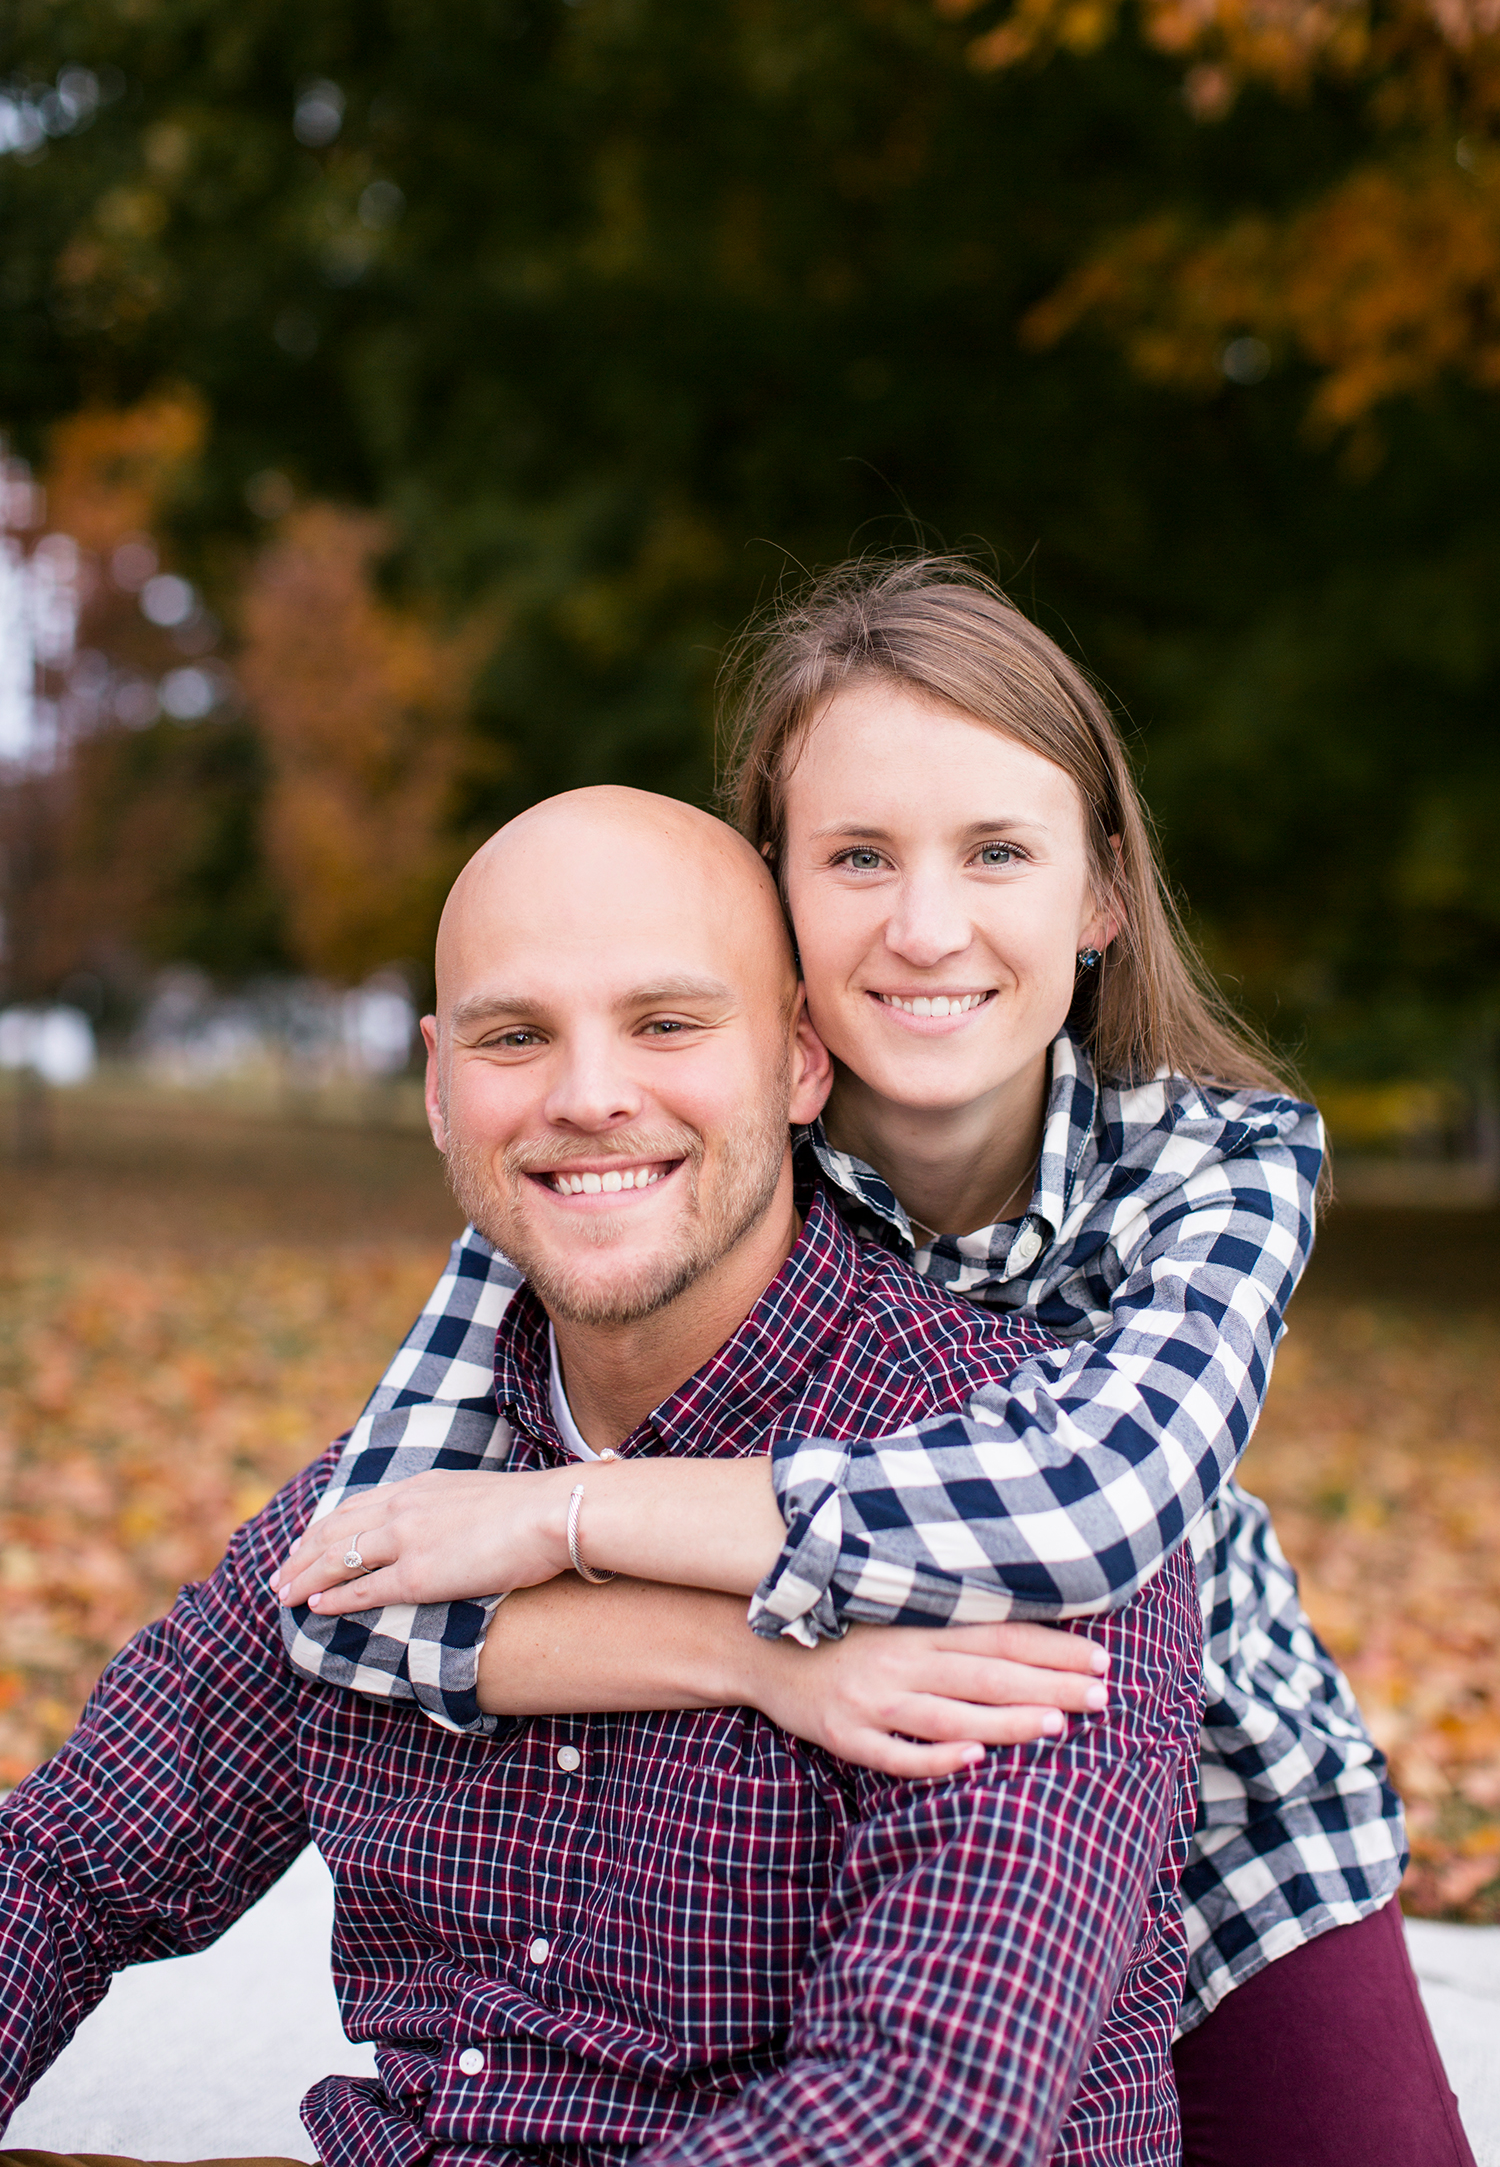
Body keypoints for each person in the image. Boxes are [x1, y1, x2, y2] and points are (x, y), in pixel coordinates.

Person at [278, 560, 1474, 2167]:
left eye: (997, 851)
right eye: (855, 857)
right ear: (772, 895)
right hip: (876, 1771)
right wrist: (753, 1659)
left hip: (1207, 1782)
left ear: (1100, 894)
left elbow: (1090, 1503)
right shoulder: (664, 1150)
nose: (925, 925)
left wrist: (569, 1517)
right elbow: (362, 1587)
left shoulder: (1224, 1162)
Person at [1, 789, 1202, 2167]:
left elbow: (920, 2113)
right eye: (518, 1037)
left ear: (801, 1060)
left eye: (668, 1023)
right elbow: (64, 1862)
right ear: (442, 1084)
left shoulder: (1009, 1491)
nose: (589, 1095)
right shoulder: (410, 1481)